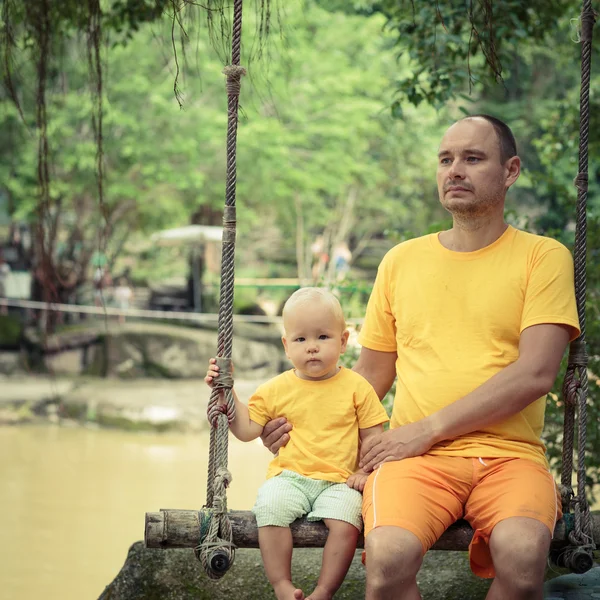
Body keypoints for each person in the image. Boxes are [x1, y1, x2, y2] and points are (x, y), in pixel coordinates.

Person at [260, 115, 580, 600]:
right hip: (417, 460)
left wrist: (427, 429)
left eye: (473, 158)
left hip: (508, 455)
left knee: (521, 557)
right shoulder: (401, 261)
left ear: (510, 170)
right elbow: (368, 378)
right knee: (386, 561)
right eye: (446, 159)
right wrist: (303, 430)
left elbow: (535, 374)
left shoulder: (544, 256)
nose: (455, 170)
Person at [205, 287, 389, 600]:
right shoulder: (275, 389)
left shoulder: (357, 387)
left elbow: (375, 437)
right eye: (301, 339)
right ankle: (282, 585)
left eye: (323, 337)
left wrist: (364, 470)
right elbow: (247, 429)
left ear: (343, 342)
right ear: (286, 346)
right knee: (269, 506)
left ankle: (324, 590)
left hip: (340, 481)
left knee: (347, 521)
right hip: (290, 476)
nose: (312, 348)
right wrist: (228, 392)